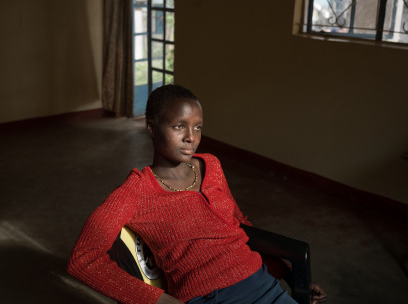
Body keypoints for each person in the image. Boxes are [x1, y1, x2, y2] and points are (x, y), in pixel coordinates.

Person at [67, 85, 326, 304]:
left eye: (198, 127)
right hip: (210, 296)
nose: (191, 138)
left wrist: (293, 277)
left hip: (263, 283)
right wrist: (160, 301)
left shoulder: (210, 165)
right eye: (179, 126)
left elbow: (239, 225)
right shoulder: (135, 191)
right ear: (152, 128)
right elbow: (83, 259)